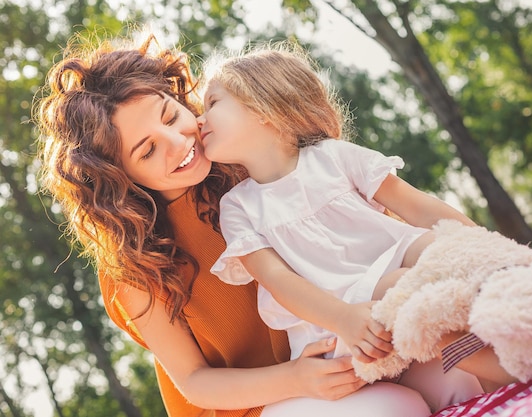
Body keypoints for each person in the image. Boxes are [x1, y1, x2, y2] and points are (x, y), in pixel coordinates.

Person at [34, 31, 484, 417]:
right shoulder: (132, 264)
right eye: (147, 151)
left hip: (341, 342)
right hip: (255, 402)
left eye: (171, 115)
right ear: (120, 179)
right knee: (394, 409)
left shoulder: (243, 164)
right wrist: (297, 378)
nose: (178, 141)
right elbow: (194, 381)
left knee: (458, 379)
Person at [199, 42, 484, 412]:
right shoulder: (238, 206)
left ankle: (517, 357)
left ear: (261, 107)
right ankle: (518, 367)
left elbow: (418, 207)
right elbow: (280, 283)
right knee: (412, 283)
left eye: (212, 103)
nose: (199, 120)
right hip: (338, 333)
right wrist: (344, 318)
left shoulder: (333, 157)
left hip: (397, 309)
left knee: (442, 253)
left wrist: (482, 249)